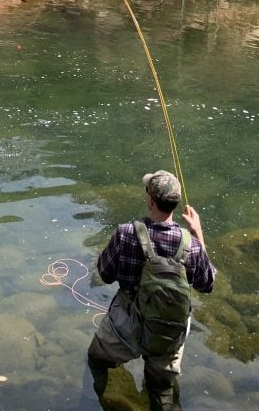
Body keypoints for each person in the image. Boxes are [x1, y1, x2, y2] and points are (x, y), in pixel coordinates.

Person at [87, 170, 216, 411]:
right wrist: (198, 233)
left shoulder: (125, 233)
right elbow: (207, 284)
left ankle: (106, 401)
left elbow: (105, 275)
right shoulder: (192, 245)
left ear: (151, 201)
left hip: (124, 327)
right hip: (168, 332)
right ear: (175, 204)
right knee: (162, 387)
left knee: (96, 359)